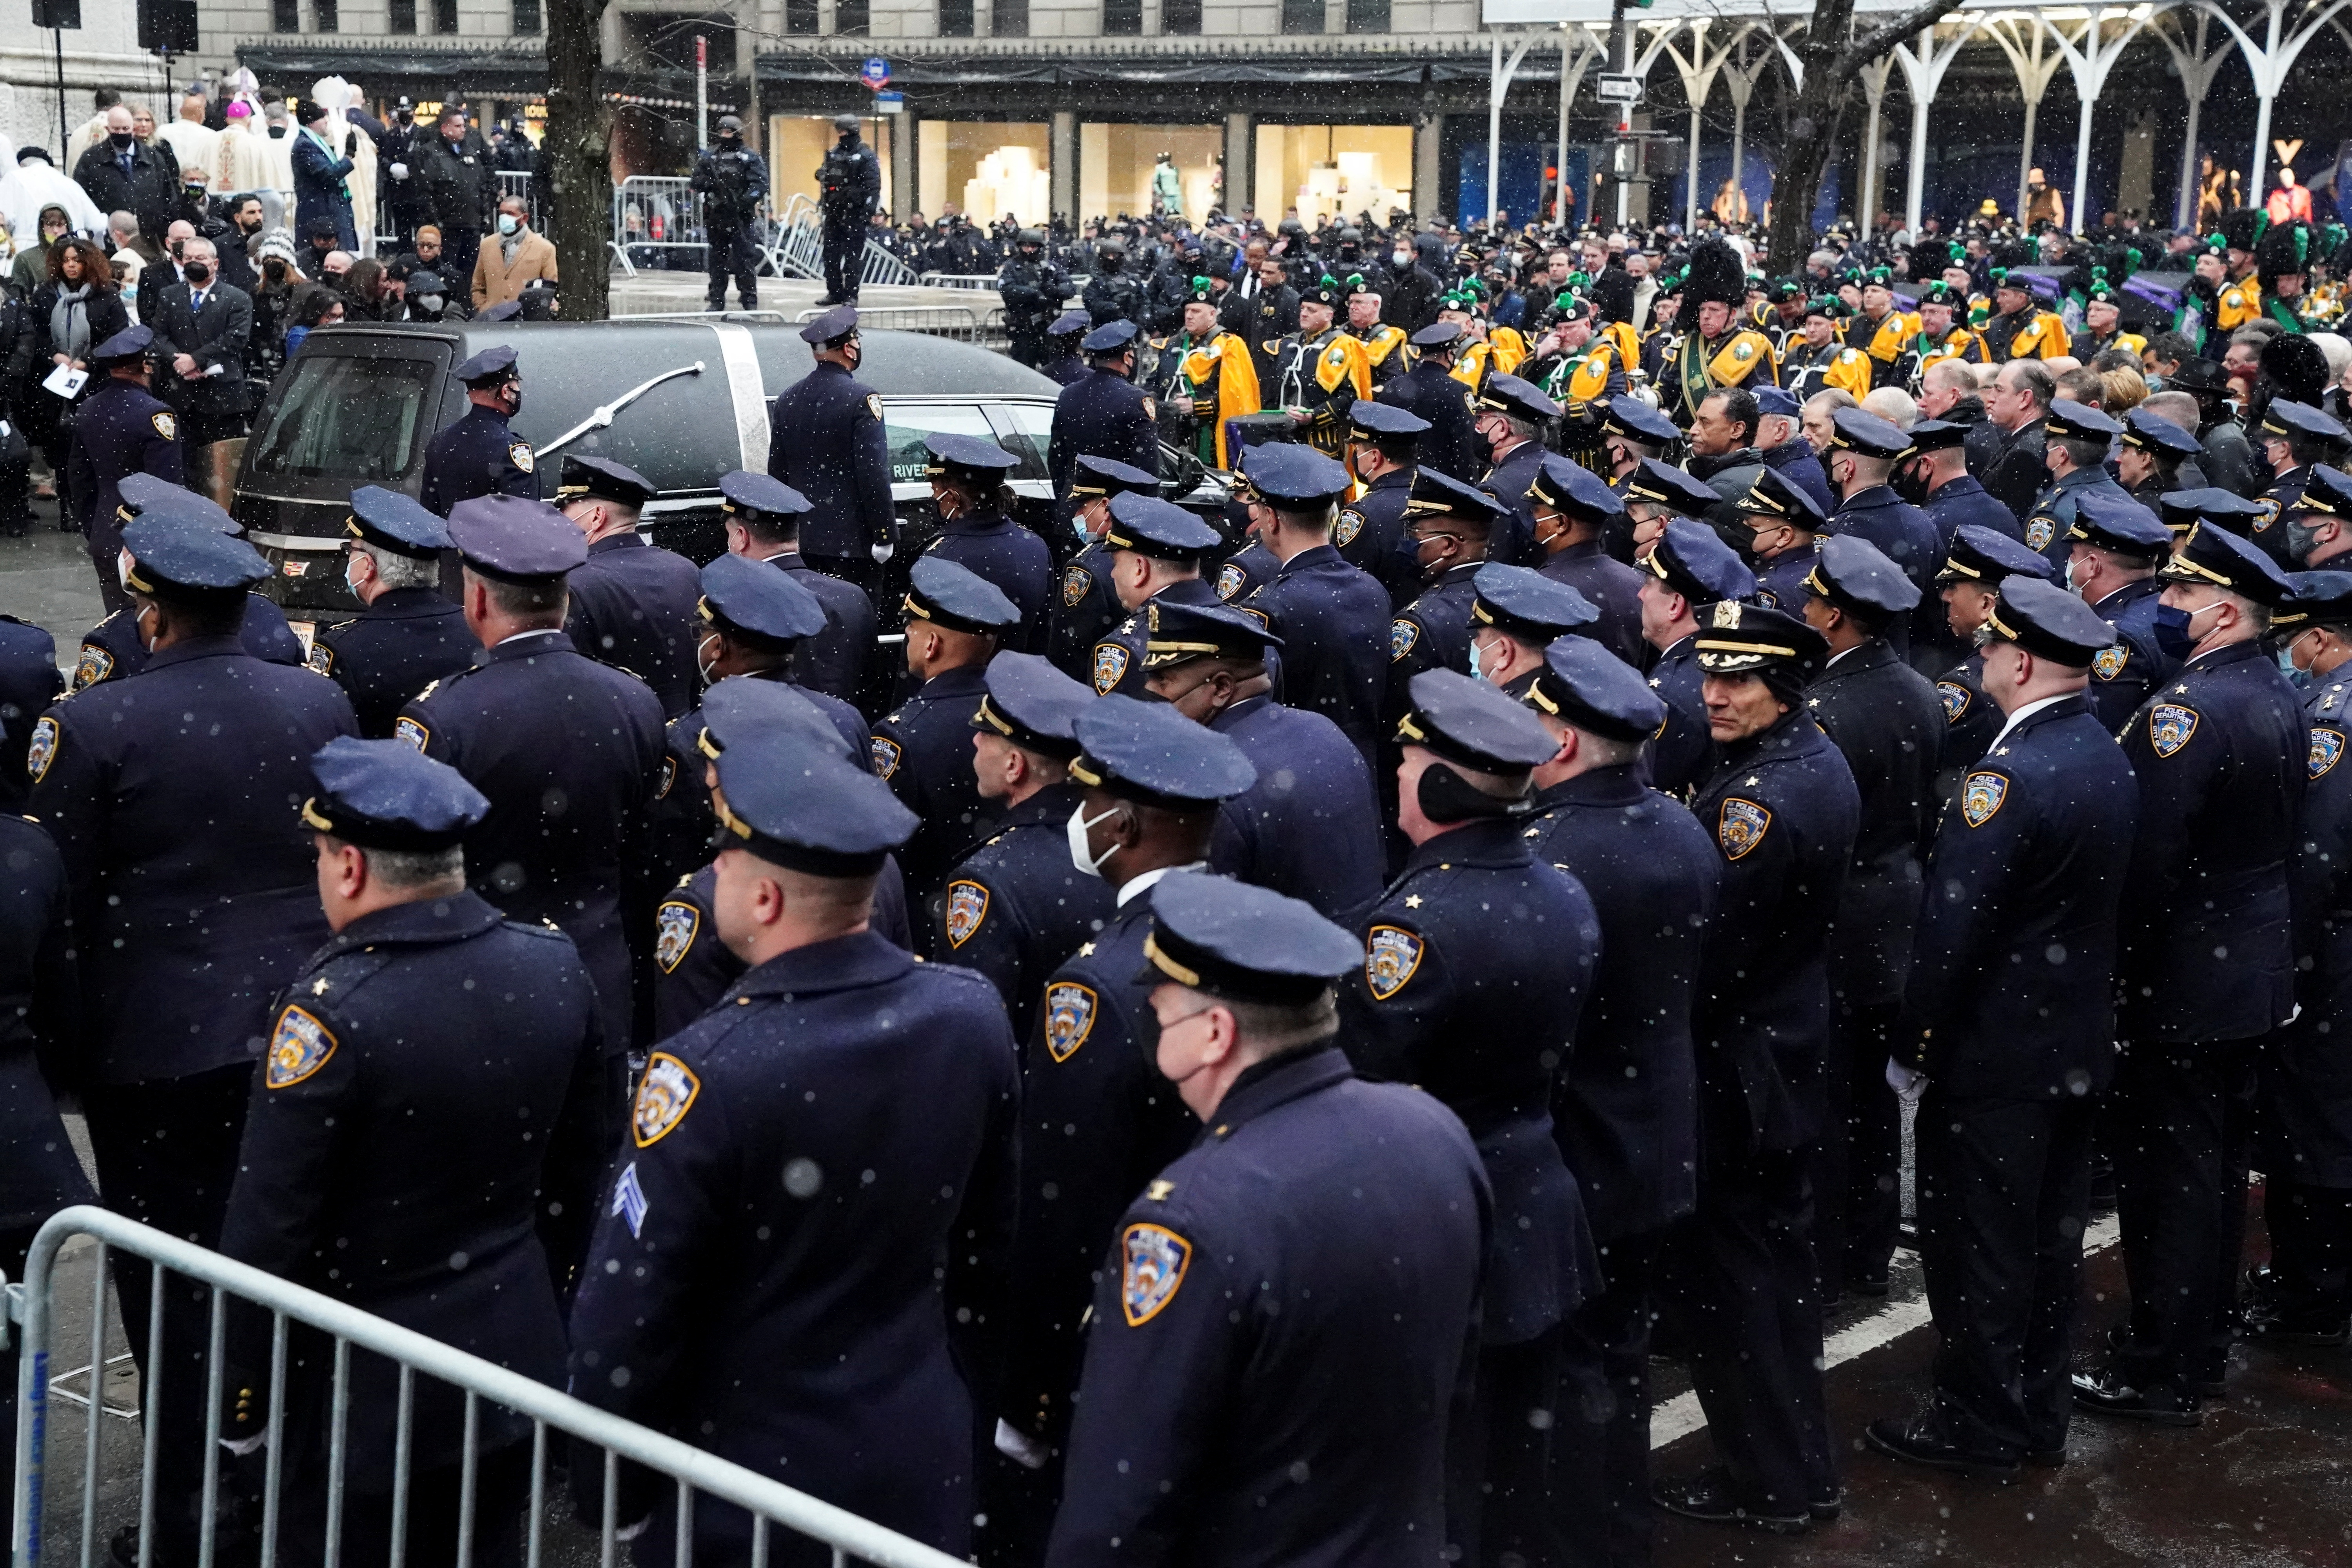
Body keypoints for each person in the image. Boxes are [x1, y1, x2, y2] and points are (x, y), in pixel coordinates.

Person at [568, 720, 1017, 1563]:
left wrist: (615, 1494)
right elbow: (987, 1254)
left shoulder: (703, 1072)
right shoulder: (969, 1016)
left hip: (746, 1480)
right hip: (915, 1449)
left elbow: (628, 1313)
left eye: (724, 863)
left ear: (764, 898)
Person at [28, 514, 358, 1566]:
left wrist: (74, 1049)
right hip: (300, 1030)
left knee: (170, 1301)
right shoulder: (318, 697)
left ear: (149, 608)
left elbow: (62, 902)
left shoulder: (98, 725)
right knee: (289, 1272)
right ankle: (279, 1491)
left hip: (157, 1048)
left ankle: (189, 1522)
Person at [217, 738, 609, 1568]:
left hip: (366, 1393)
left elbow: (267, 1235)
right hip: (514, 1348)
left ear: (350, 866)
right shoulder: (554, 965)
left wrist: (242, 1404)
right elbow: (589, 1167)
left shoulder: (330, 1017)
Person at [1044, 873, 1486, 1568]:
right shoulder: (1432, 1132)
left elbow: (1121, 1501)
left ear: (1215, 1033)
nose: (1159, 1039)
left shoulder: (1188, 1219)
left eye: (1163, 1017)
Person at [1866, 575, 2136, 1479]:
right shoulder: (2099, 748)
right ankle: (2034, 1405)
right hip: (2071, 1043)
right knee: (2046, 1242)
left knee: (1978, 1241)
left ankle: (1979, 1419)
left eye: (1990, 648)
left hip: (1996, 1053)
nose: (1980, 658)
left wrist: (1916, 1045)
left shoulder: (2007, 775)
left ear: (2019, 659)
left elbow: (1953, 928)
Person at [1341, 667, 1599, 1567]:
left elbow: (1367, 1083)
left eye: (1412, 763)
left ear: (1444, 785)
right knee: (1514, 1466)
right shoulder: (1562, 890)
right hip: (1536, 1200)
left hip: (1443, 1221)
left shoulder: (1414, 932)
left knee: (1438, 1479)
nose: (1398, 776)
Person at [994, 696, 1257, 1502]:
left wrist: (1031, 1394)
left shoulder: (1098, 986)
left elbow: (1061, 1204)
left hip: (1129, 1324)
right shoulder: (1251, 925)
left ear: (1125, 825)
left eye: (1086, 802)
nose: (1078, 818)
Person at [2075, 521, 2303, 1425]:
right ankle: (2197, 1341)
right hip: (2249, 967)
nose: (2163, 607)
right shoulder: (2273, 690)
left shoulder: (2187, 712)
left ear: (2220, 611)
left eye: (2178, 595)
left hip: (2187, 977)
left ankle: (2161, 1363)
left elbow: (2151, 862)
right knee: (2210, 1169)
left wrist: (2116, 968)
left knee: (2168, 1176)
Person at [1651, 599, 1858, 1534]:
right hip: (1784, 1047)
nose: (1714, 694)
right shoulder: (1810, 759)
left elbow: (1710, 950)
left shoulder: (1755, 804)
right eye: (1710, 673)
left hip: (1740, 1064)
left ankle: (1766, 1480)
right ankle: (1796, 1467)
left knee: (1734, 1283)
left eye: (1738, 678)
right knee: (1774, 1272)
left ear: (1782, 686)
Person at [1508, 636, 1715, 1564]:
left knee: (1565, 1371)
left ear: (1558, 743)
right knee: (1620, 1355)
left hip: (1580, 1146)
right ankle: (1620, 1525)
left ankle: (1579, 1538)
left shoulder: (1551, 855)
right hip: (1656, 1133)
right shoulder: (1678, 826)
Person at [394, 494, 667, 1063]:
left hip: (483, 990)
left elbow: (414, 879)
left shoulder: (443, 718)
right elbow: (643, 859)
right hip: (598, 975)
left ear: (476, 601)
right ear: (566, 602)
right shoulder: (636, 701)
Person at [1799, 536, 1944, 1302]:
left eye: (1816, 599)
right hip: (1896, 912)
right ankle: (1869, 1239)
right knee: (1874, 1098)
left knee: (1830, 1098)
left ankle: (1833, 1250)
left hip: (1842, 920)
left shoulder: (1825, 710)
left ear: (1839, 617)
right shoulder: (1918, 690)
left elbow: (1822, 830)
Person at [2248, 570, 2352, 1343]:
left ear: (2321, 637)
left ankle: (2311, 1296)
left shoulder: (2333, 715)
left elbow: (2317, 852)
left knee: (2316, 1126)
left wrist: (2287, 958)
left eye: (2296, 642)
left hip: (2334, 952)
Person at [1143, 598, 1384, 919]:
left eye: (1164, 680)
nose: (1149, 690)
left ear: (1221, 689)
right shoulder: (1324, 730)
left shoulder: (1213, 784)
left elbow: (1208, 923)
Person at [872, 556, 1025, 915]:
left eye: (912, 628)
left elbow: (885, 846)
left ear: (932, 645)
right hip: (1003, 898)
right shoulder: (1017, 710)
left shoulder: (900, 735)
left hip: (928, 912)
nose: (907, 635)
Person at [1235, 443, 1392, 769]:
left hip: (1297, 772)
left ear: (1271, 518)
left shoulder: (1271, 606)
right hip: (1362, 770)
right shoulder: (1372, 589)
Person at [309, 485, 475, 738]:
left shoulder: (342, 648)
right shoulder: (474, 629)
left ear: (367, 567)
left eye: (350, 551)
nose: (347, 560)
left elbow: (322, 736)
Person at [557, 454, 703, 719]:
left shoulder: (575, 583)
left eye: (566, 509)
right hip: (685, 740)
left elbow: (572, 684)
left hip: (618, 739)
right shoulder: (686, 571)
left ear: (597, 517)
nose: (562, 519)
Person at [718, 469, 875, 711]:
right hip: (851, 737)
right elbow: (872, 687)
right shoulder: (854, 597)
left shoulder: (741, 602)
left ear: (741, 538)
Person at [767, 306, 897, 600]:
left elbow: (778, 473)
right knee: (855, 627)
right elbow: (873, 474)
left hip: (801, 542)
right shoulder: (862, 399)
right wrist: (884, 534)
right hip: (852, 544)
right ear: (850, 349)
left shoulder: (788, 398)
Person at [1638, 518, 1757, 801]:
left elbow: (1649, 787)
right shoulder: (1714, 659)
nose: (1640, 594)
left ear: (1676, 605)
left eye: (1648, 584)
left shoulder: (1670, 696)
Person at [63, 323, 177, 615]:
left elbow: (79, 477)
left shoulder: (88, 409)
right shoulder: (155, 414)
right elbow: (167, 488)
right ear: (147, 366)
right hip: (149, 544)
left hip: (107, 533)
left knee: (119, 626)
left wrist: (95, 527)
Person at [1048, 457, 1172, 685]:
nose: (1077, 516)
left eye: (1082, 506)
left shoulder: (1086, 566)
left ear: (1105, 506)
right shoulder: (1165, 548)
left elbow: (1069, 654)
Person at [2063, 489, 2178, 731]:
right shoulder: (2165, 608)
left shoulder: (2116, 639)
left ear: (2093, 566)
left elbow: (2098, 728)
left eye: (2074, 556)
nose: (2070, 565)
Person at [922, 431, 1052, 641]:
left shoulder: (940, 556)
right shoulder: (1035, 546)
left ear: (954, 498)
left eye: (935, 489)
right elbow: (1042, 632)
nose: (933, 497)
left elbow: (924, 646)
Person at [1046, 321, 1160, 536]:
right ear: (1128, 357)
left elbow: (1057, 459)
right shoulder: (1136, 400)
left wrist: (1068, 500)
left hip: (1074, 512)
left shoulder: (1068, 395)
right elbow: (1147, 469)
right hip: (1117, 516)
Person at [149, 233, 253, 468]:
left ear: (215, 263)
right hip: (181, 396)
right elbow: (159, 335)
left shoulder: (237, 299)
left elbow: (236, 339)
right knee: (184, 468)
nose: (193, 262)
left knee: (223, 470)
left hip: (223, 397)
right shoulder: (169, 295)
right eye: (188, 258)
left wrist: (196, 360)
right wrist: (179, 362)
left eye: (200, 257)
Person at [419, 345, 533, 517]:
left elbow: (429, 514)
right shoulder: (512, 450)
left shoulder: (440, 441)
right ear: (505, 392)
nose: (518, 390)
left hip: (447, 542)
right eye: (516, 383)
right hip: (491, 544)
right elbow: (525, 523)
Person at [1335, 398, 1429, 606]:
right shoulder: (1435, 499)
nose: (1356, 458)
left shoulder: (1362, 515)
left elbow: (1346, 588)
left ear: (1375, 458)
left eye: (1358, 450)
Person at [2021, 400, 2132, 566]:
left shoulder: (2054, 513)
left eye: (2048, 447)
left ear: (2062, 455)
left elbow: (2043, 576)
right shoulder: (2124, 497)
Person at [1377, 321, 1481, 481]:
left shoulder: (1394, 387)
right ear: (1449, 354)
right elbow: (1465, 445)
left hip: (1395, 480)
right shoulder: (1458, 391)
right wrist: (1469, 486)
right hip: (1438, 485)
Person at [413, 106, 494, 299]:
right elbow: (426, 191)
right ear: (445, 128)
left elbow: (482, 184)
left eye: (464, 125)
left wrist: (484, 214)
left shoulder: (470, 151)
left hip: (471, 223)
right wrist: (435, 221)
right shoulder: (430, 153)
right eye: (458, 126)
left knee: (469, 274)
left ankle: (465, 306)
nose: (463, 129)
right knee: (447, 273)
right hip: (448, 225)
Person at [690, 114, 767, 311]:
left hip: (741, 217)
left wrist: (743, 202)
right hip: (717, 216)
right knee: (717, 260)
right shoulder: (710, 156)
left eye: (729, 132)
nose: (725, 135)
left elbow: (760, 184)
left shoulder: (749, 157)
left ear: (737, 133)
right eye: (722, 132)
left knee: (745, 260)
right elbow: (696, 181)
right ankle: (717, 299)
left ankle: (749, 299)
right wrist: (712, 186)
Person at [71, 105, 177, 249]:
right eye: (116, 129)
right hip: (109, 243)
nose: (121, 133)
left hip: (150, 241)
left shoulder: (153, 159)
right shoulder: (91, 160)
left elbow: (168, 198)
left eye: (125, 129)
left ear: (133, 130)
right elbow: (81, 200)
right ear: (108, 130)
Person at [815, 114, 880, 306]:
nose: (841, 135)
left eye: (843, 131)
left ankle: (851, 295)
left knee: (852, 258)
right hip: (834, 212)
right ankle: (834, 292)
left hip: (854, 214)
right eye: (839, 131)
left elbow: (873, 186)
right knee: (830, 256)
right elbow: (825, 174)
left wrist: (866, 213)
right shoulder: (835, 153)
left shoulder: (865, 155)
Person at [288, 100, 358, 254]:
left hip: (328, 213)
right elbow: (329, 175)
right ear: (311, 123)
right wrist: (348, 156)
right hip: (320, 217)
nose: (327, 121)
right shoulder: (305, 146)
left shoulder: (315, 144)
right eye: (323, 117)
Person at [998, 227, 1073, 368]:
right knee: (1023, 371)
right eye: (1026, 246)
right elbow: (1007, 289)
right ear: (1020, 247)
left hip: (1049, 330)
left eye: (1033, 246)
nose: (1030, 250)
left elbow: (1070, 288)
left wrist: (1054, 291)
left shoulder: (1050, 267)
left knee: (1052, 372)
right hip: (1025, 330)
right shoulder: (1012, 267)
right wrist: (1034, 293)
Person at [471, 193, 556, 313]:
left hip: (526, 322)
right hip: (492, 321)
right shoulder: (487, 245)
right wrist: (483, 308)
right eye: (502, 213)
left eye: (510, 214)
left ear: (525, 218)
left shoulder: (545, 248)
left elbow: (550, 289)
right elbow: (478, 286)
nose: (504, 217)